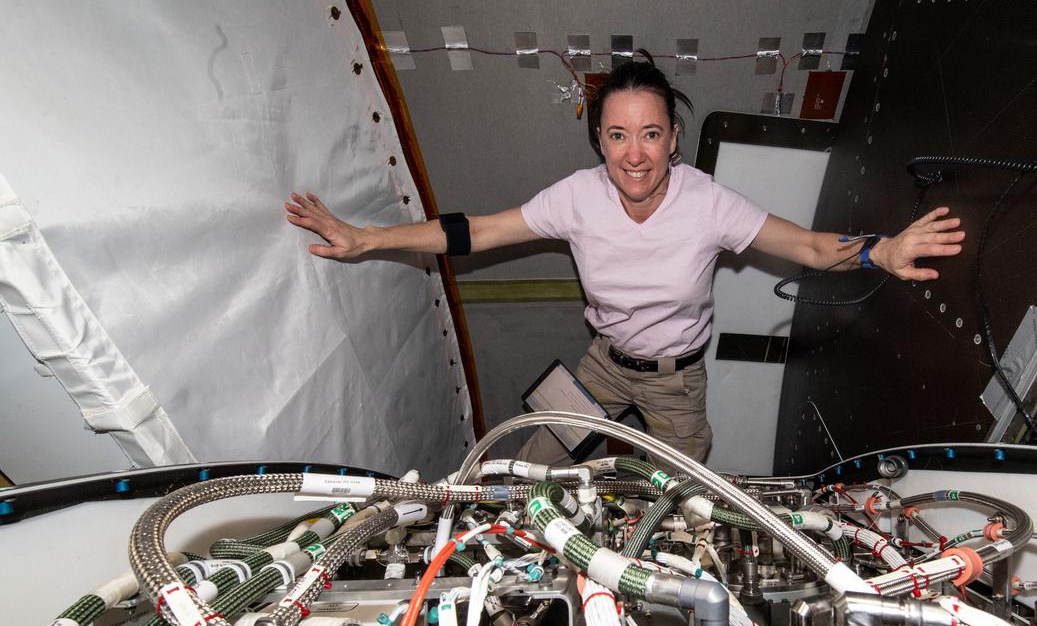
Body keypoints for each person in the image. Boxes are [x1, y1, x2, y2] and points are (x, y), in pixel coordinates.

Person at [285, 54, 964, 465]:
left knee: (679, 498)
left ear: (673, 140)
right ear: (599, 141)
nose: (633, 153)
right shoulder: (577, 197)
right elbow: (479, 232)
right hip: (602, 365)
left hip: (677, 383)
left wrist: (886, 249)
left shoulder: (707, 202)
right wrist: (367, 238)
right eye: (617, 135)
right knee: (533, 467)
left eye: (649, 134)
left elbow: (810, 246)